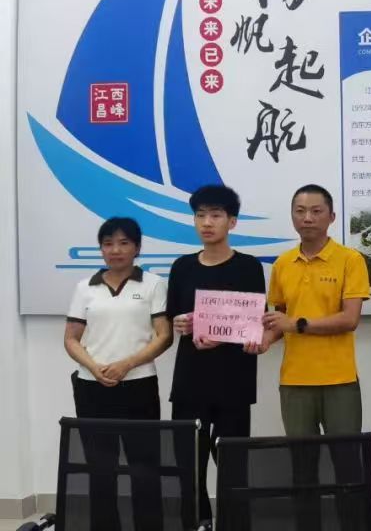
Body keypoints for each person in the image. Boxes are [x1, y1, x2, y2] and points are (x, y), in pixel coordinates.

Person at [261, 184, 370, 528]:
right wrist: (263, 340)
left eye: (316, 211)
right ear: (292, 216)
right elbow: (279, 320)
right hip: (294, 382)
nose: (307, 218)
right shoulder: (282, 264)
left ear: (331, 217)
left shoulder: (350, 260)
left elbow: (349, 319)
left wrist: (297, 324)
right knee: (302, 468)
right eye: (300, 211)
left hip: (339, 381)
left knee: (347, 467)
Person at [167, 185, 267, 525]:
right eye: (200, 215)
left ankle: (234, 523)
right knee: (188, 463)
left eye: (215, 215)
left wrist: (238, 337)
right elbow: (174, 317)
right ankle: (199, 522)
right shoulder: (182, 267)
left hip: (234, 380)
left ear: (232, 222)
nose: (207, 222)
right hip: (190, 379)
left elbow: (255, 320)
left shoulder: (249, 267)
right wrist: (181, 323)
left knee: (233, 464)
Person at [63, 217, 172, 530]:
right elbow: (71, 338)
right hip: (92, 387)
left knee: (144, 467)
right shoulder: (85, 287)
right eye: (108, 243)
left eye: (124, 243)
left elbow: (164, 336)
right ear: (101, 248)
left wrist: (127, 364)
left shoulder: (153, 284)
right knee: (100, 468)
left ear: (137, 248)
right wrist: (93, 367)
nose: (116, 250)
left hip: (139, 385)